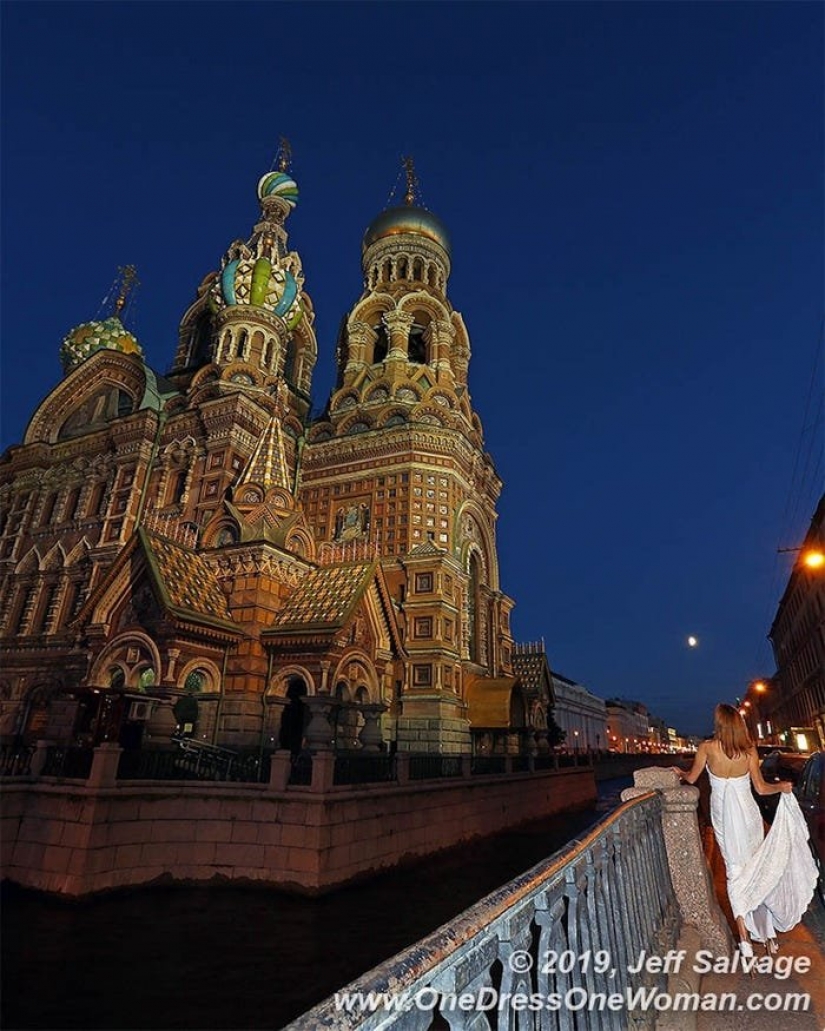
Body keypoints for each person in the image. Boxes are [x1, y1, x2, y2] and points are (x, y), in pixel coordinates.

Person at [673, 703, 817, 958]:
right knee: (755, 868)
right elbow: (761, 788)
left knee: (734, 872)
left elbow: (692, 778)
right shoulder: (749, 751)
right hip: (748, 816)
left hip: (723, 816)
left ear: (719, 724)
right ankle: (768, 935)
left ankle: (744, 937)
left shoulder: (707, 748)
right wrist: (781, 787)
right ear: (738, 724)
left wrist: (681, 772)